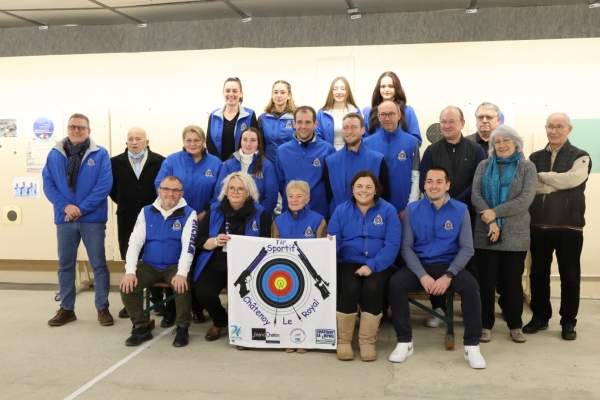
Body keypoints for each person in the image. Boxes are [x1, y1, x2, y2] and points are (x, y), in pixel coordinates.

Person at [388, 166, 486, 369]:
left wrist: (449, 275)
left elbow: (467, 248)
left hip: (450, 266)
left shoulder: (461, 210)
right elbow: (406, 247)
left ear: (447, 185)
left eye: (439, 181)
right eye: (429, 181)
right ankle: (404, 342)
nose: (434, 186)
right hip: (420, 265)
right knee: (396, 283)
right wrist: (422, 275)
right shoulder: (411, 210)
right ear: (424, 184)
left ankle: (472, 346)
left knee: (471, 287)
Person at [524, 112, 592, 341]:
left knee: (570, 276)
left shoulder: (581, 156)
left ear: (569, 129)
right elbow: (530, 187)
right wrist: (558, 181)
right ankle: (540, 317)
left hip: (569, 227)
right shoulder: (534, 157)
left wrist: (544, 178)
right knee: (538, 275)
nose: (554, 131)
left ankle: (568, 322)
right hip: (538, 226)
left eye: (559, 126)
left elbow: (574, 180)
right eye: (550, 126)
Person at [43, 113, 113, 327]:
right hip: (64, 218)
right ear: (68, 129)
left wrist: (80, 209)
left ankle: (102, 308)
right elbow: (48, 184)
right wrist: (66, 206)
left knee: (99, 265)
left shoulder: (100, 154)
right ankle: (67, 309)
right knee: (65, 266)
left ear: (88, 131)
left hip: (92, 219)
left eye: (81, 127)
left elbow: (104, 186)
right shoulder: (54, 154)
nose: (76, 130)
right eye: (73, 127)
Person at [419, 106, 486, 327]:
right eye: (443, 122)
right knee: (438, 259)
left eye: (451, 121)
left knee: (470, 262)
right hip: (436, 214)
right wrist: (443, 202)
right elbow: (424, 182)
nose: (446, 126)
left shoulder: (476, 150)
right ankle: (437, 307)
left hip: (467, 213)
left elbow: (479, 182)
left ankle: (471, 311)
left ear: (462, 123)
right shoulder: (431, 151)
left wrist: (455, 204)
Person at [471, 126, 537, 343]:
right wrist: (490, 220)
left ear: (516, 143)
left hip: (515, 235)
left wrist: (494, 214)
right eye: (496, 142)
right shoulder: (484, 165)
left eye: (506, 140)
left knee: (512, 284)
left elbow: (524, 200)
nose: (501, 145)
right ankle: (485, 325)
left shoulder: (527, 167)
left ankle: (515, 325)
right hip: (485, 233)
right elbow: (476, 195)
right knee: (486, 284)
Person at [328, 170, 400, 362]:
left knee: (372, 287)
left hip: (380, 262)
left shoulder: (388, 210)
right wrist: (330, 246)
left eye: (369, 186)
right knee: (350, 288)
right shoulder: (341, 210)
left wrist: (372, 265)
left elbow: (392, 245)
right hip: (347, 261)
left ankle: (367, 341)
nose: (364, 190)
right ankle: (343, 341)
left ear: (376, 189)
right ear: (352, 189)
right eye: (359, 186)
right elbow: (334, 239)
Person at [155, 125, 221, 326]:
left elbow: (219, 191)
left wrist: (204, 213)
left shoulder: (215, 163)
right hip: (176, 219)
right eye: (189, 140)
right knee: (176, 262)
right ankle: (171, 309)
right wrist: (177, 209)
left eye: (197, 140)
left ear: (203, 142)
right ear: (183, 141)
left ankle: (196, 307)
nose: (193, 144)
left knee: (198, 263)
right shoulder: (172, 161)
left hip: (204, 220)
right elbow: (160, 185)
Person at [119, 176, 196, 347]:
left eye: (175, 190)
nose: (170, 193)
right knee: (126, 287)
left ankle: (183, 328)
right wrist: (130, 272)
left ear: (181, 193)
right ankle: (141, 327)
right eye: (166, 189)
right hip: (149, 265)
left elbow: (188, 247)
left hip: (174, 266)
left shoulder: (189, 213)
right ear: (159, 190)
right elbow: (134, 242)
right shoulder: (146, 211)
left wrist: (182, 273)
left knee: (181, 286)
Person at [193, 172, 271, 342]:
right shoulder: (214, 210)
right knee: (203, 292)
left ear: (248, 192)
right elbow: (200, 240)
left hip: (247, 266)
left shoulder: (260, 212)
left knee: (248, 294)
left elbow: (266, 245)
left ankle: (245, 325)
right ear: (226, 191)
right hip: (217, 264)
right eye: (232, 188)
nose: (235, 192)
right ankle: (221, 321)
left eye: (240, 189)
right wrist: (215, 240)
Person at [110, 127, 165, 319]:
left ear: (146, 142)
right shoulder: (115, 163)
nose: (134, 142)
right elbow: (113, 190)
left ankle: (157, 301)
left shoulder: (160, 161)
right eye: (131, 139)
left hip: (154, 218)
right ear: (126, 143)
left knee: (153, 256)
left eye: (138, 138)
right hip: (127, 217)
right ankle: (132, 300)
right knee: (130, 257)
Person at [272, 180, 327, 353]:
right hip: (285, 272)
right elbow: (272, 251)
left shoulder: (319, 221)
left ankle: (305, 339)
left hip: (310, 273)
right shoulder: (278, 221)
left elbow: (322, 251)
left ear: (307, 199)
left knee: (308, 302)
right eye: (290, 196)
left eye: (299, 196)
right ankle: (288, 338)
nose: (294, 200)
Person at [324, 112, 390, 217]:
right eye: (345, 128)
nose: (349, 131)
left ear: (362, 130)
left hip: (370, 222)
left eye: (354, 127)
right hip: (340, 222)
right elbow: (328, 196)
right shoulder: (330, 161)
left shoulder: (378, 160)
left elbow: (385, 194)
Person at [275, 106, 336, 219]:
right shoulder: (282, 150)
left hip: (319, 214)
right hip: (290, 215)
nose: (303, 126)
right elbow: (280, 183)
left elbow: (331, 184)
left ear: (315, 124)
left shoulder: (328, 150)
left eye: (308, 122)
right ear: (294, 124)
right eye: (299, 122)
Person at [363, 100, 420, 217]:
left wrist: (410, 207)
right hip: (373, 209)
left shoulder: (411, 143)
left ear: (399, 115)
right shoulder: (367, 144)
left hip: (403, 209)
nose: (387, 118)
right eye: (383, 114)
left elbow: (416, 176)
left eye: (391, 114)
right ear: (378, 117)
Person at [214, 127, 278, 216]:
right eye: (245, 140)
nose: (248, 144)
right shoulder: (228, 164)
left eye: (253, 140)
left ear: (258, 143)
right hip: (230, 217)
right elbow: (219, 192)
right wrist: (231, 215)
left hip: (258, 218)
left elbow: (271, 197)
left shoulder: (267, 166)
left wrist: (257, 216)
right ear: (240, 141)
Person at [206, 77, 259, 162]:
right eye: (227, 91)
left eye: (235, 91)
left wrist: (233, 163)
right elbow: (209, 141)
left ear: (241, 94)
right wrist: (219, 162)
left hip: (241, 164)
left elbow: (253, 141)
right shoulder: (214, 115)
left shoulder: (250, 114)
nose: (231, 94)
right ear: (223, 93)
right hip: (218, 164)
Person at [363, 71, 421, 144]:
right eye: (383, 86)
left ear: (397, 89)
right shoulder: (369, 113)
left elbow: (416, 141)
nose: (386, 90)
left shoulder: (408, 111)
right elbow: (363, 139)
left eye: (391, 86)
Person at [315, 76, 362, 150]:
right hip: (328, 155)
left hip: (352, 155)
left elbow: (361, 136)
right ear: (331, 92)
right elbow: (318, 138)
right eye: (335, 89)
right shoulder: (322, 113)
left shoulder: (355, 111)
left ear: (347, 92)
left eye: (343, 89)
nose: (339, 92)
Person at [259, 80, 297, 164]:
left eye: (282, 92)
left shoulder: (296, 117)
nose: (278, 95)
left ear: (289, 96)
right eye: (275, 92)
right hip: (270, 164)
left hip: (291, 163)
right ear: (272, 95)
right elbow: (261, 145)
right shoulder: (263, 118)